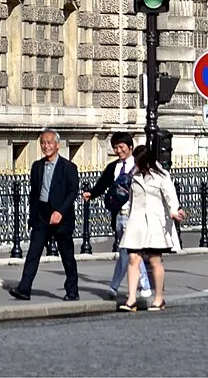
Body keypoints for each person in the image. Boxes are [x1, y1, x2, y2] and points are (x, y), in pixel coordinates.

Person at [11, 129, 81, 300]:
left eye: (49, 142)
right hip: (42, 215)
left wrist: (60, 211)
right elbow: (34, 193)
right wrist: (32, 216)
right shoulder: (37, 166)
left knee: (67, 256)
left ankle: (72, 290)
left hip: (60, 216)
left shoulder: (68, 167)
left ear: (57, 145)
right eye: (43, 142)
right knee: (33, 253)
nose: (46, 146)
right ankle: (24, 288)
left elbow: (73, 192)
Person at [116, 143, 185, 311]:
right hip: (137, 221)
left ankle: (159, 298)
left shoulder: (162, 176)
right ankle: (131, 299)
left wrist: (174, 211)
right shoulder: (134, 175)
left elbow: (170, 195)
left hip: (155, 221)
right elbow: (131, 198)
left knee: (155, 260)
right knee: (133, 258)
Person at [81, 132, 150, 303]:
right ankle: (114, 286)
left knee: (133, 251)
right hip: (119, 215)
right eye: (116, 147)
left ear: (130, 148)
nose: (119, 151)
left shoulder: (139, 165)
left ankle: (145, 286)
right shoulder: (114, 167)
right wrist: (92, 193)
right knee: (125, 252)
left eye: (122, 147)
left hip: (135, 215)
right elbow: (103, 184)